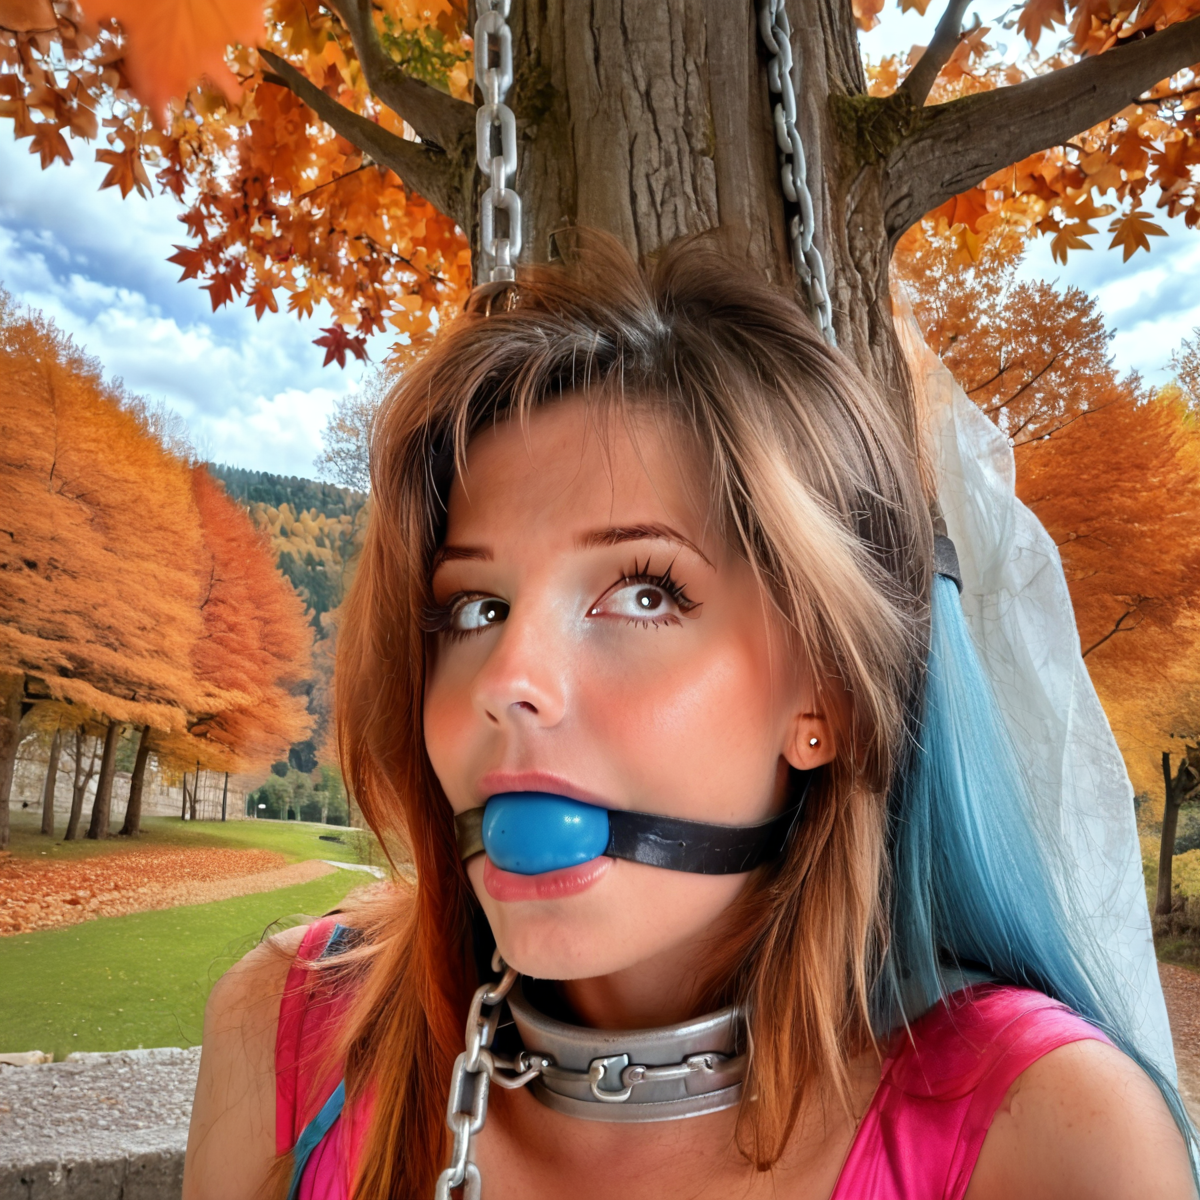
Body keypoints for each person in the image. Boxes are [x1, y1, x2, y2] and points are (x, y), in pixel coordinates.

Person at [183, 233, 1197, 1200]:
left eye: (644, 593)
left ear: (827, 695)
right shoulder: (289, 1028)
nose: (508, 679)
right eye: (475, 608)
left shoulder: (1055, 1135)